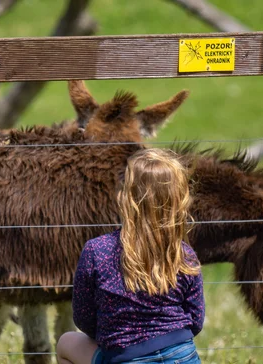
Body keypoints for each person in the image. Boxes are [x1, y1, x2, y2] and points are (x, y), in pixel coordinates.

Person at [57, 148, 204, 364]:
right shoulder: (184, 255)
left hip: (126, 357)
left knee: (66, 343)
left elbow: (83, 317)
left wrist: (116, 337)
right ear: (178, 201)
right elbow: (196, 320)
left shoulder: (97, 251)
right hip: (183, 357)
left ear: (125, 197)